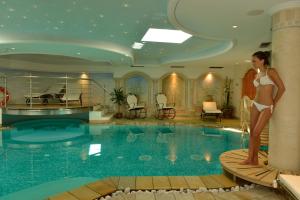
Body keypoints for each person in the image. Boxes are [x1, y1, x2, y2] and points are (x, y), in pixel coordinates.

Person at [241, 51, 285, 165]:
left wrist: (274, 103)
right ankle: (251, 159)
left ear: (262, 60)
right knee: (252, 134)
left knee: (256, 133)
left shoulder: (271, 72)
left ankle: (253, 159)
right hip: (255, 104)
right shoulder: (258, 73)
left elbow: (282, 88)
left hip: (266, 106)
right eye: (252, 61)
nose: (252, 63)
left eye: (254, 61)